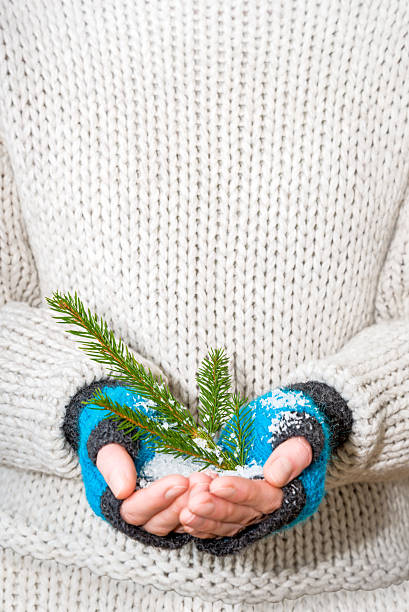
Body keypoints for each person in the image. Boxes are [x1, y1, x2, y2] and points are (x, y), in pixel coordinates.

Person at [0, 0, 409, 609]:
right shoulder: (19, 23)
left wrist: (334, 415)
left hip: (362, 585)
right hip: (42, 582)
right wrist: (76, 409)